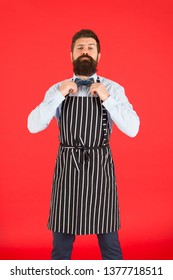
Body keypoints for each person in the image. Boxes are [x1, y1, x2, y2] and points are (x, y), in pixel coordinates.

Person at [27, 29, 140, 260]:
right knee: (61, 246)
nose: (85, 51)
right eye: (80, 48)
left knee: (110, 244)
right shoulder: (57, 89)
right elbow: (33, 125)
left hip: (100, 169)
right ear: (71, 55)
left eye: (90, 47)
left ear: (99, 56)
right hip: (68, 169)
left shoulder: (114, 90)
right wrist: (59, 95)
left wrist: (107, 99)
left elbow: (133, 129)